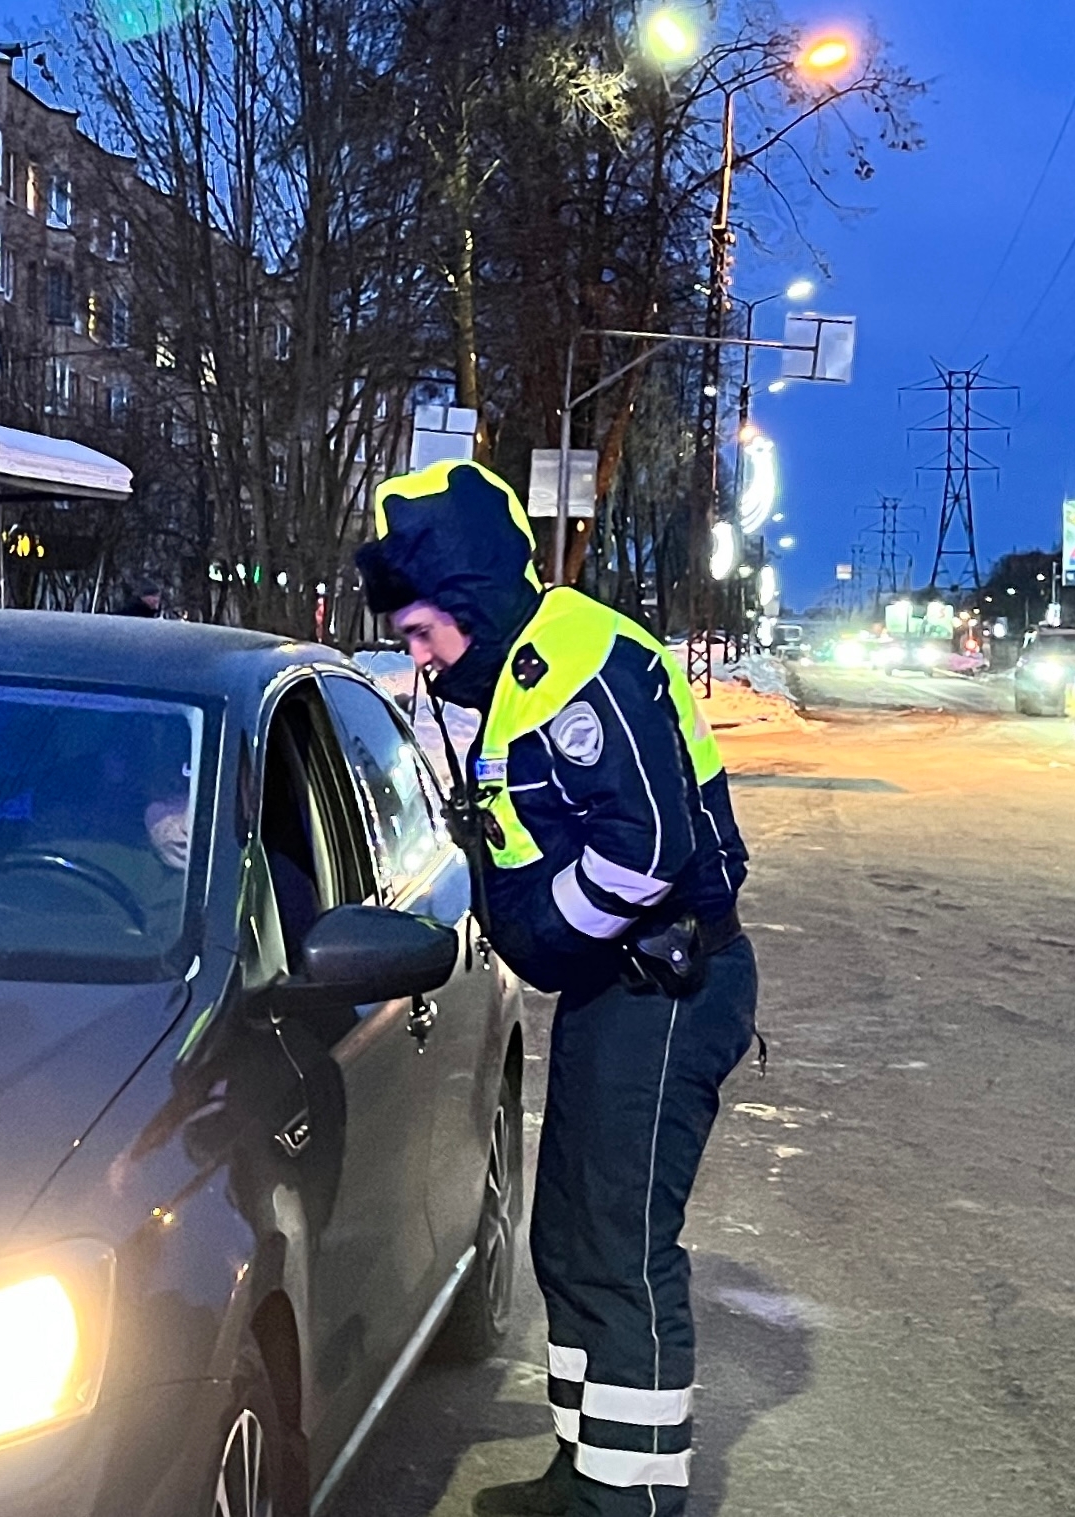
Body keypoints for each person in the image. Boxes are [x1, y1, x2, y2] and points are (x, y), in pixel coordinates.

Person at [355, 460, 756, 1517]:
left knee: (616, 1240)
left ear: (470, 600)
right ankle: (589, 1470)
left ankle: (631, 1498)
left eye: (421, 630)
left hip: (667, 984)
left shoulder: (575, 662)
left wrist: (546, 933)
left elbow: (648, 848)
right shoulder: (519, 676)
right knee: (570, 1235)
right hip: (615, 985)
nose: (417, 654)